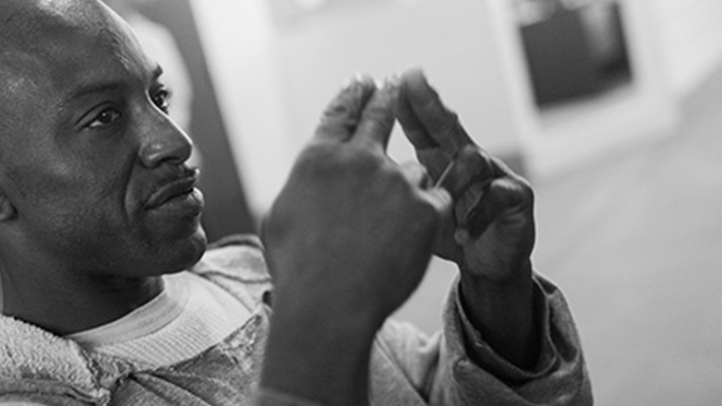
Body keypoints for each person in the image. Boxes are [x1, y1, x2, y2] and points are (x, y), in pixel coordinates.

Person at [0, 0, 591, 405]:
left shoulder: (248, 275)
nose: (173, 142)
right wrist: (324, 315)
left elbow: (423, 392)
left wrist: (497, 292)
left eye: (158, 96)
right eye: (102, 118)